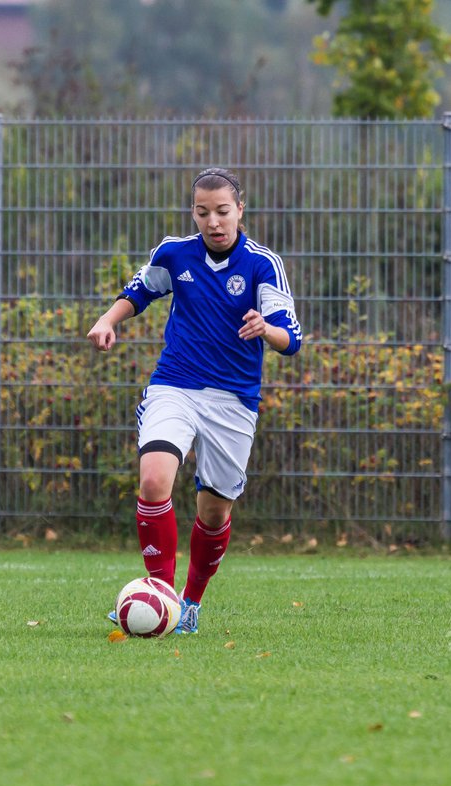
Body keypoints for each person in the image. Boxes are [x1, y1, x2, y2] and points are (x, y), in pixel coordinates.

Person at [87, 167, 303, 632]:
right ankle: (160, 592)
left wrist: (267, 330)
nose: (214, 222)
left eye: (223, 211)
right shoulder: (175, 253)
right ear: (194, 212)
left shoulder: (262, 264)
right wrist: (108, 320)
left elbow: (292, 338)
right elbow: (139, 291)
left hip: (233, 400)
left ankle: (191, 602)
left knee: (214, 511)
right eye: (203, 212)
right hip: (176, 385)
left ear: (240, 210)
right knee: (153, 481)